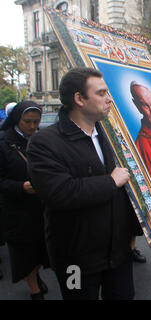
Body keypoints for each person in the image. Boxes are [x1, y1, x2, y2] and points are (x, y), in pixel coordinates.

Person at [27, 67, 143, 300]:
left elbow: (130, 189)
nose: (109, 99)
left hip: (117, 253)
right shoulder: (45, 142)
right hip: (75, 260)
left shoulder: (111, 136)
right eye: (101, 93)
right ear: (79, 99)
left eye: (108, 92)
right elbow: (60, 193)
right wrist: (110, 181)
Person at [0, 100, 50, 299]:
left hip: (40, 208)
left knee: (39, 251)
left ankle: (35, 276)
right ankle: (35, 291)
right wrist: (20, 187)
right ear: (16, 119)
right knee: (24, 254)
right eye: (27, 121)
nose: (32, 126)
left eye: (36, 122)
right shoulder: (3, 143)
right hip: (16, 210)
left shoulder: (41, 139)